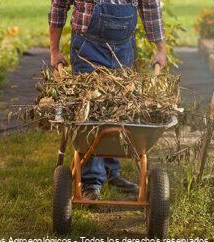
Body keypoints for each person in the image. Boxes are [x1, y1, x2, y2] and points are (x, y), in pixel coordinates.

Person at [49, 0, 167, 200]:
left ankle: (111, 171)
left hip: (124, 49)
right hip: (88, 49)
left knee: (119, 107)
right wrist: (54, 50)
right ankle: (91, 180)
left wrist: (160, 48)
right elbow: (59, 6)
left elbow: (150, 6)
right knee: (92, 111)